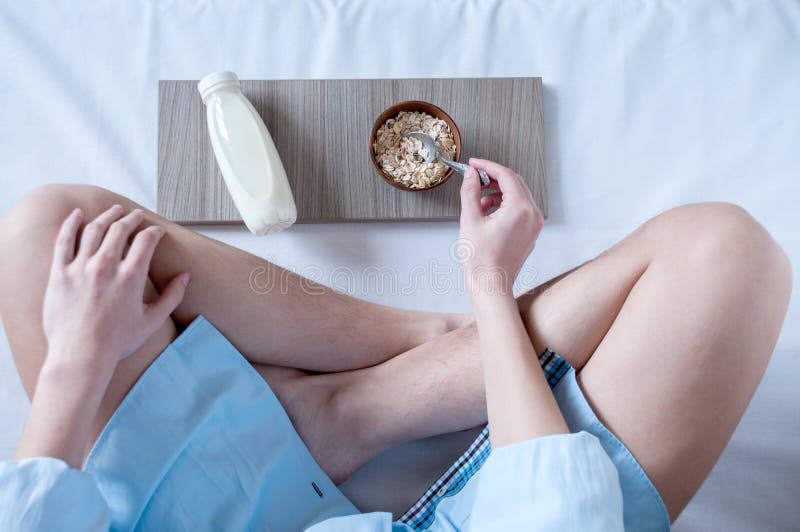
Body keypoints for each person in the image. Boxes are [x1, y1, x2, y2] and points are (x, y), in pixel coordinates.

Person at [0, 159, 791, 531]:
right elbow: (551, 503)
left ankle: (400, 356)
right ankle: (368, 400)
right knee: (727, 255)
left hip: (191, 517)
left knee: (51, 233)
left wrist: (79, 359)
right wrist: (485, 282)